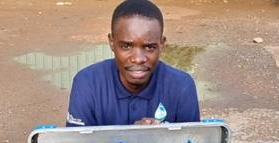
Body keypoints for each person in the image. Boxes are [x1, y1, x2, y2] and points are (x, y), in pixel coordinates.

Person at [66, 0, 199, 126]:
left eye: (149, 47)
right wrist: (133, 137)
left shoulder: (181, 87)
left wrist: (159, 138)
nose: (138, 59)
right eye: (126, 46)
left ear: (162, 44)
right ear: (112, 42)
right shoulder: (87, 84)